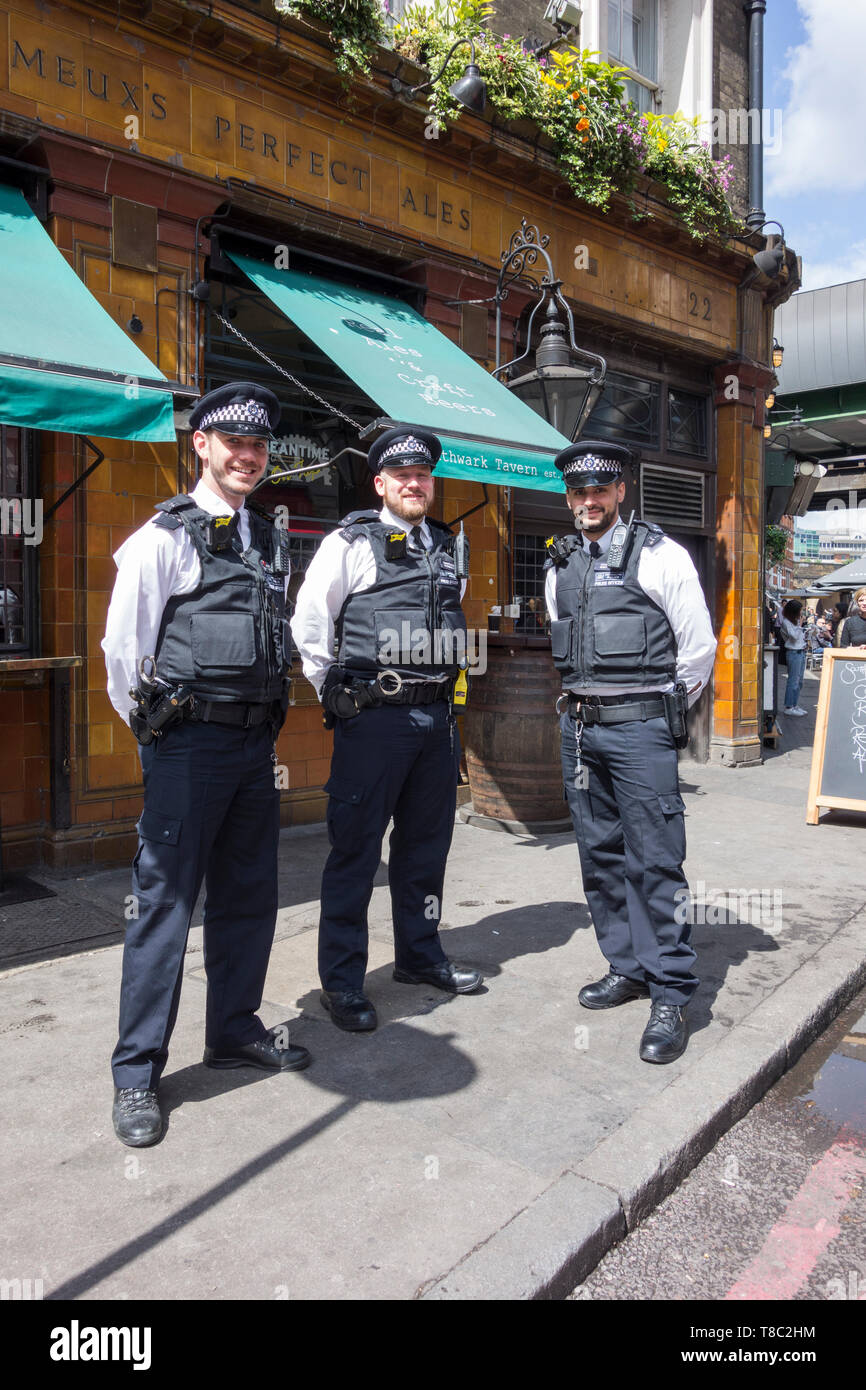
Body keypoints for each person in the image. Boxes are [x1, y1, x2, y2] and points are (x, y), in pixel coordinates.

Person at [102, 382, 311, 1147]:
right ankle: (135, 1076)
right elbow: (123, 654)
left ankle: (233, 1031)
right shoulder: (163, 537)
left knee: (250, 897)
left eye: (258, 447)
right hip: (187, 748)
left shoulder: (266, 539)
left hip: (255, 749)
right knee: (163, 908)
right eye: (234, 443)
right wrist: (157, 735)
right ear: (203, 445)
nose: (248, 456)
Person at [291, 426, 482, 1033]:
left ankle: (420, 957)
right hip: (373, 719)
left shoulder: (448, 545)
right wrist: (339, 695)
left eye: (423, 475)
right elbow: (310, 624)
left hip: (435, 721)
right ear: (380, 484)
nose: (414, 484)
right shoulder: (350, 542)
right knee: (354, 855)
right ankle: (343, 981)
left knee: (427, 849)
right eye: (402, 476)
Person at [544, 440, 716, 1064]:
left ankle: (670, 988)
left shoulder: (662, 555)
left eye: (600, 489)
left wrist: (659, 714)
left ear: (621, 492)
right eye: (577, 490)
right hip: (581, 731)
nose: (588, 500)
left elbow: (698, 651)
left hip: (640, 729)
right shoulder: (559, 564)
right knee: (601, 856)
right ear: (568, 497)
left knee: (656, 859)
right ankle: (627, 965)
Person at [779, 599, 807, 714]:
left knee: (799, 681)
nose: (801, 613)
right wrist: (800, 625)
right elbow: (794, 636)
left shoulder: (794, 621)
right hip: (793, 653)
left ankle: (795, 705)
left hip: (801, 651)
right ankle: (789, 707)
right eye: (800, 610)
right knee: (793, 680)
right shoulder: (786, 622)